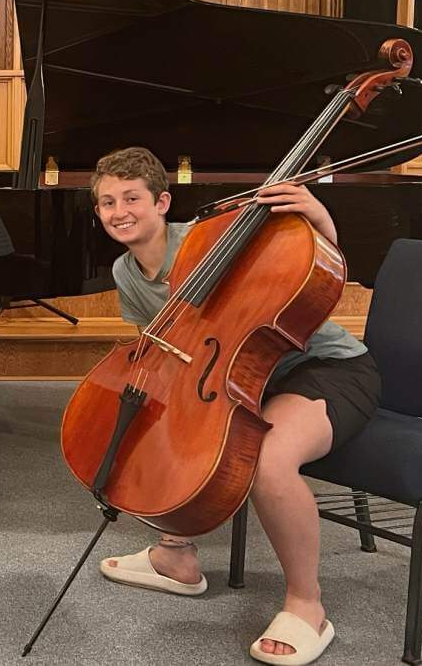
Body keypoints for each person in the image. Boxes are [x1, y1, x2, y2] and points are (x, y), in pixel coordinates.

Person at [89, 147, 380, 666]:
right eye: (107, 202)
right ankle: (174, 557)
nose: (120, 211)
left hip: (320, 372)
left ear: (162, 202)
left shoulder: (211, 239)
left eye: (131, 198)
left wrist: (319, 217)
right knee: (168, 427)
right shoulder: (125, 271)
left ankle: (307, 605)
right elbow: (159, 344)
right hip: (237, 376)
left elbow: (299, 265)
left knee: (267, 462)